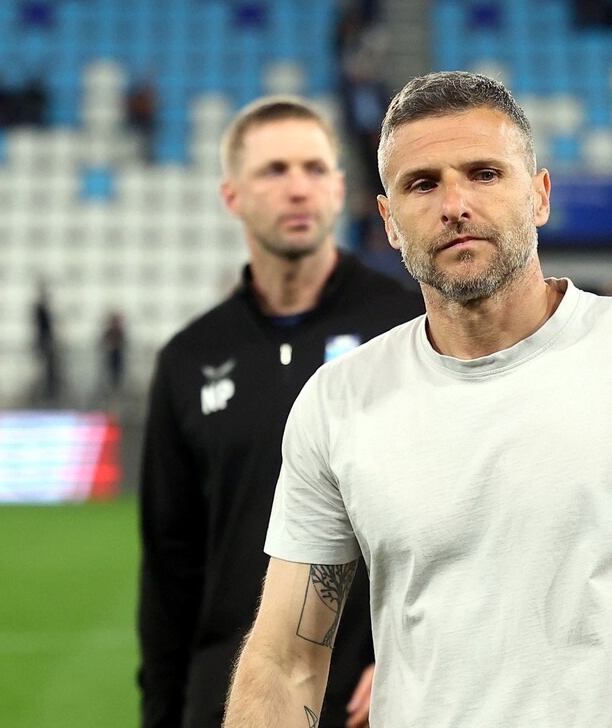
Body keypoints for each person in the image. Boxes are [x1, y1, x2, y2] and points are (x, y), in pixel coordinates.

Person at [225, 72, 612, 727]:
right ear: (389, 223)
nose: (455, 204)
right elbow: (285, 660)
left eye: (485, 174)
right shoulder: (337, 402)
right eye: (422, 184)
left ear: (540, 195)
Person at [138, 96, 422, 728]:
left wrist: (413, 655)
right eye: (274, 171)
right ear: (232, 196)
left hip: (377, 701)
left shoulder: (409, 326)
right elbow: (169, 571)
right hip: (233, 701)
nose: (298, 188)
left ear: (340, 188)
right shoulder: (188, 359)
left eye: (315, 169)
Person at [32, 281, 61, 403]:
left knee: (49, 368)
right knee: (45, 367)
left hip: (45, 342)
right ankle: (46, 391)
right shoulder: (39, 309)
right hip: (44, 342)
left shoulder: (41, 309)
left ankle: (50, 390)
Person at [99, 309, 126, 399]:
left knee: (117, 374)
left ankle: (116, 389)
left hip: (117, 356)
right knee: (110, 374)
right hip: (110, 357)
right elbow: (104, 342)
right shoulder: (110, 331)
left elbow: (122, 343)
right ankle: (111, 390)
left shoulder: (119, 332)